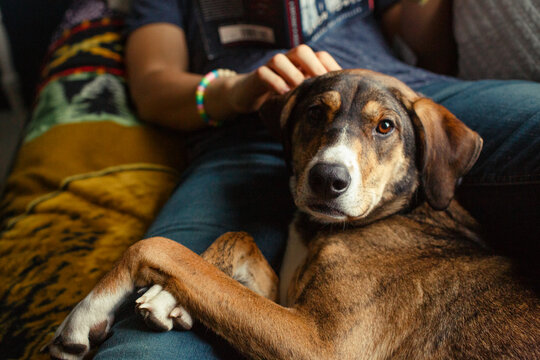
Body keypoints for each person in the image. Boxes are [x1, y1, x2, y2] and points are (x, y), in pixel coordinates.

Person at [94, 0, 540, 359]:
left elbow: (433, 48)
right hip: (243, 134)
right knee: (142, 349)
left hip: (408, 101)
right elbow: (153, 87)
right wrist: (235, 90)